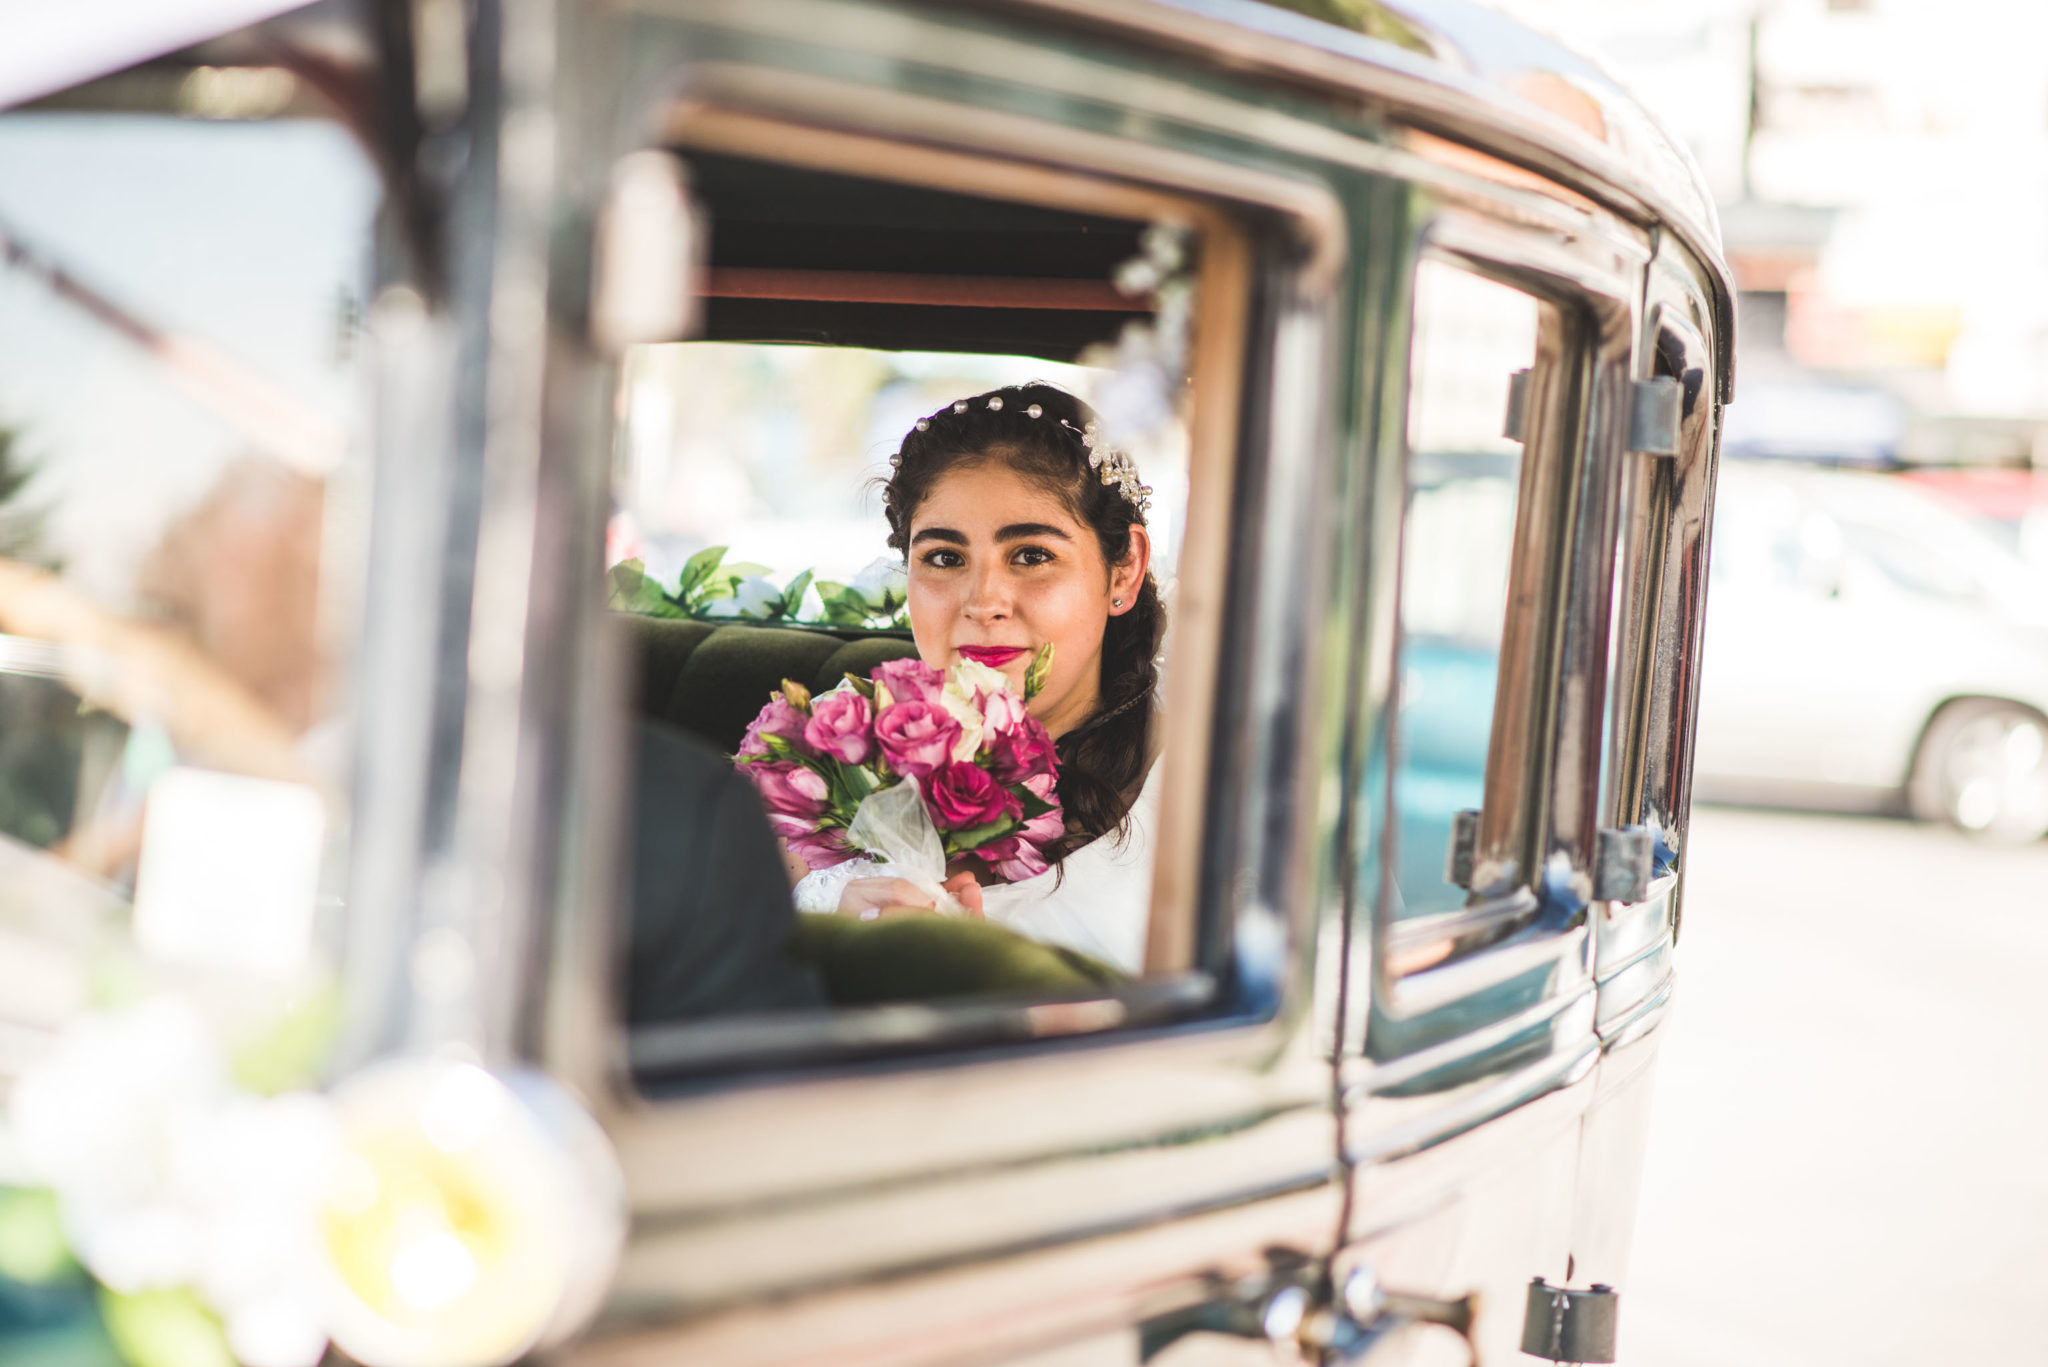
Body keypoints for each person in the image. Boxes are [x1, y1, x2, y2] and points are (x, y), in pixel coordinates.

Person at [795, 383, 1166, 975]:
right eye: (945, 558)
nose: (983, 602)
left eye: (1031, 555)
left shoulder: (1206, 784)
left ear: (1123, 571)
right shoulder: (832, 755)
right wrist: (834, 944)